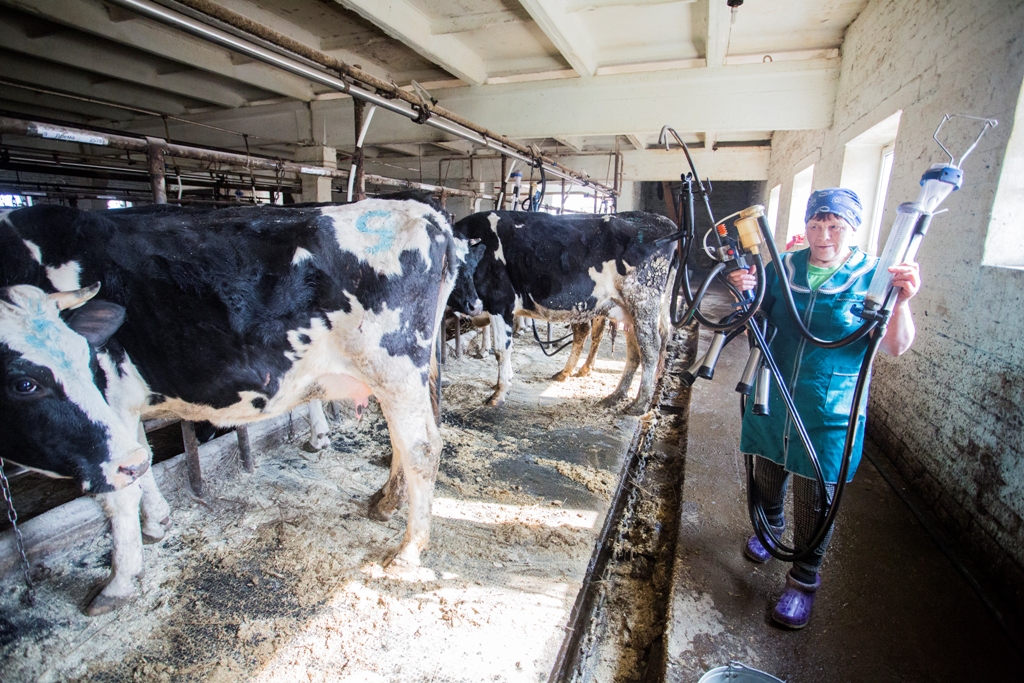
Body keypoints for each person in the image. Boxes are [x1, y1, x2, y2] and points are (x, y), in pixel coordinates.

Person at [727, 188, 921, 629]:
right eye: (816, 224)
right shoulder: (785, 266)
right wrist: (747, 292)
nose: (823, 235)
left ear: (853, 229)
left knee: (817, 494)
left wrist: (903, 302)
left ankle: (802, 582)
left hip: (830, 401)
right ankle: (769, 528)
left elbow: (894, 346)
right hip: (773, 389)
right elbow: (752, 327)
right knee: (768, 468)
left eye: (835, 226)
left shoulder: (875, 275)